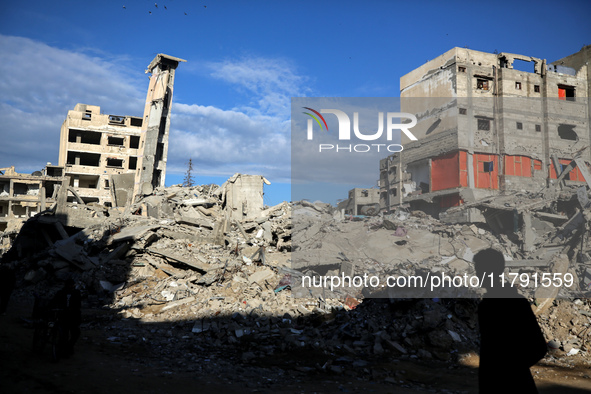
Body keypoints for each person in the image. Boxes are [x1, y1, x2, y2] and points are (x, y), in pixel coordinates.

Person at [474, 248, 547, 394]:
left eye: (479, 270)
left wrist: (509, 370)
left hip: (512, 384)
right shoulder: (488, 305)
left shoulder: (513, 304)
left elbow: (539, 347)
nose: (477, 274)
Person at [51, 278, 81, 355]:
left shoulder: (61, 292)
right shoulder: (76, 293)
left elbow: (53, 303)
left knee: (66, 334)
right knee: (74, 334)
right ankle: (68, 348)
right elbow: (78, 306)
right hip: (72, 317)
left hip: (64, 316)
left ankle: (66, 348)